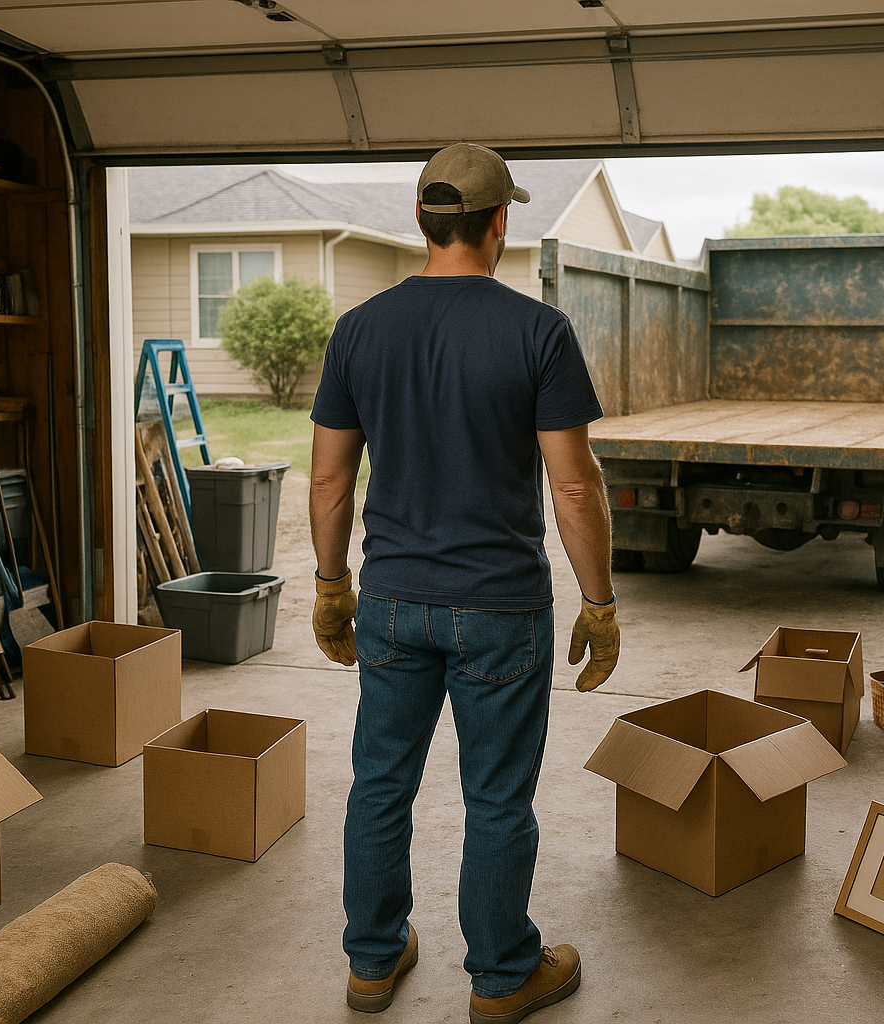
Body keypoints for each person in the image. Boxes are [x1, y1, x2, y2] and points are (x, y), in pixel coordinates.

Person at [307, 142, 621, 1024]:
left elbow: (330, 480)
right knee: (496, 798)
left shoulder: (360, 329)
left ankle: (372, 965)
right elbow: (574, 484)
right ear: (498, 222)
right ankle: (500, 977)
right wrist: (599, 600)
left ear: (420, 220)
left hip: (395, 604)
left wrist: (333, 586)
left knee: (379, 783)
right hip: (501, 608)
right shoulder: (537, 331)